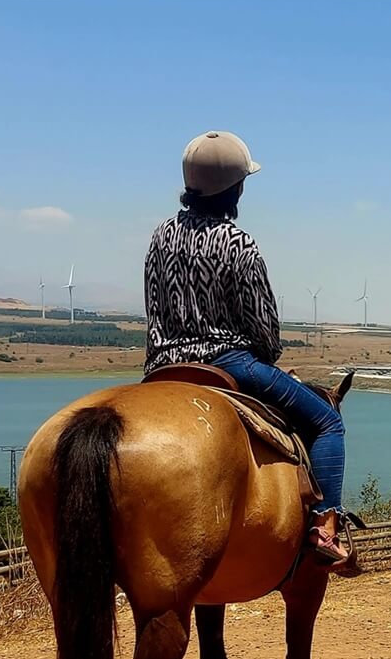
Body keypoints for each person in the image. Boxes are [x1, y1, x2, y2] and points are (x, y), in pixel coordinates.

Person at [144, 130, 350, 567]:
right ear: (234, 187)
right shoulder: (239, 244)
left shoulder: (159, 237)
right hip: (228, 362)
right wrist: (263, 352)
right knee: (328, 421)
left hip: (162, 367)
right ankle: (323, 527)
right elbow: (265, 332)